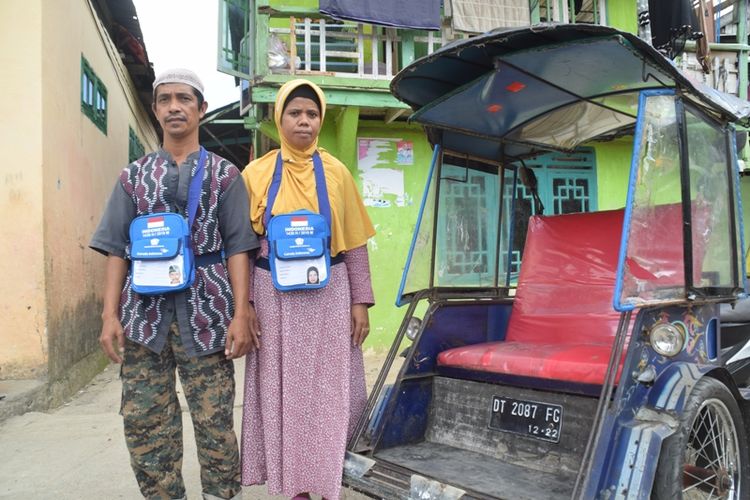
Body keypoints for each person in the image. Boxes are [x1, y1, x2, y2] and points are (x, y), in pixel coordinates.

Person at [89, 68, 260, 500]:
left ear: (201, 109)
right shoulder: (133, 177)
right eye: (164, 100)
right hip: (144, 321)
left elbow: (239, 248)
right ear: (155, 109)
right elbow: (116, 249)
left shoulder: (225, 176)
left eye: (184, 99)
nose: (173, 107)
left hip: (207, 317)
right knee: (146, 423)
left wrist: (242, 313)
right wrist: (110, 316)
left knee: (215, 424)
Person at [240, 79, 376, 500]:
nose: (304, 121)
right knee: (283, 393)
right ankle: (293, 487)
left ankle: (327, 481)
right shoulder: (256, 174)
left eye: (312, 114)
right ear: (278, 118)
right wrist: (244, 306)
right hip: (272, 297)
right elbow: (241, 248)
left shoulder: (336, 173)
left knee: (328, 393)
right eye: (295, 113)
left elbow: (353, 241)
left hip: (329, 296)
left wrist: (360, 301)